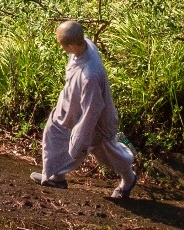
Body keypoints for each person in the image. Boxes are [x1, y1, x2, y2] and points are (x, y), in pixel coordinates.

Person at [32, 19, 137, 200]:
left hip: (96, 120)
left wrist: (80, 140)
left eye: (62, 44)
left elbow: (92, 111)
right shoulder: (84, 44)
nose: (61, 48)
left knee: (107, 153)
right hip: (70, 108)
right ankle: (55, 177)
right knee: (54, 132)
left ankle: (129, 179)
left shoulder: (91, 75)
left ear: (72, 45)